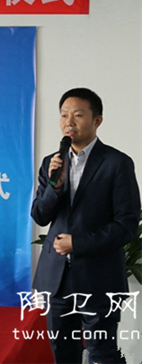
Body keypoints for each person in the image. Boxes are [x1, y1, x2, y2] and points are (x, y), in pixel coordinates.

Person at [31, 88, 140, 364]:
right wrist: (55, 187)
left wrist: (77, 244)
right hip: (57, 279)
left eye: (78, 115)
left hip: (99, 278)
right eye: (64, 115)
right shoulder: (51, 163)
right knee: (63, 354)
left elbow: (126, 225)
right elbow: (40, 216)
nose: (69, 122)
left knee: (102, 354)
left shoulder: (117, 163)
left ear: (97, 120)